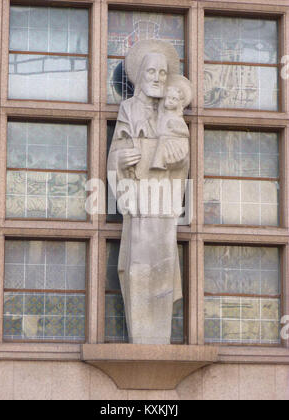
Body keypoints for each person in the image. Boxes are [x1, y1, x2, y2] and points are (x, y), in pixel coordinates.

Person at [107, 40, 191, 344]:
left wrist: (173, 154)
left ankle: (158, 337)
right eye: (151, 71)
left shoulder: (173, 112)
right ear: (139, 76)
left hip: (163, 202)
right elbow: (117, 151)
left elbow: (183, 154)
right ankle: (142, 336)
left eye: (163, 72)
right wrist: (120, 159)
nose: (157, 77)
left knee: (163, 266)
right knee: (137, 266)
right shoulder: (128, 108)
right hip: (139, 201)